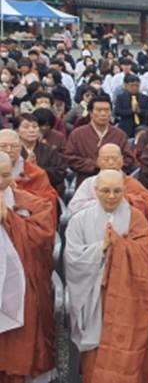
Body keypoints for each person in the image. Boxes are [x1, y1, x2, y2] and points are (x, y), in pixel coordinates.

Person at [64, 170, 148, 383]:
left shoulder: (136, 217)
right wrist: (102, 247)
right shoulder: (80, 220)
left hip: (129, 298)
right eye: (105, 190)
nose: (111, 196)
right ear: (95, 190)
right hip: (94, 295)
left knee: (129, 354)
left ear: (124, 191)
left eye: (117, 191)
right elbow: (72, 258)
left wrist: (120, 246)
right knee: (96, 355)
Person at [0, 152, 57, 382]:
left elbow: (43, 238)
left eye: (4, 174)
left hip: (21, 283)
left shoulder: (31, 203)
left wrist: (9, 219)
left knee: (17, 343)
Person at [69, 143, 148, 220]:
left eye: (115, 158)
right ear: (98, 161)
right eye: (106, 159)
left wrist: (127, 200)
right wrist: (104, 202)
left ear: (122, 160)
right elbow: (74, 208)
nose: (111, 162)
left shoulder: (132, 183)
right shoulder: (89, 183)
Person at [64, 95, 132, 187]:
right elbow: (69, 158)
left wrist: (113, 164)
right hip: (86, 182)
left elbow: (129, 158)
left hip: (114, 184)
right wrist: (95, 164)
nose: (103, 114)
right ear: (91, 113)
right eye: (99, 110)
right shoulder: (77, 134)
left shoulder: (120, 135)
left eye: (107, 110)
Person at [0, 129, 59, 220]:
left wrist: (19, 194)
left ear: (20, 148)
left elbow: (48, 201)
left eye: (14, 146)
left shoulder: (35, 172)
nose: (8, 150)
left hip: (26, 221)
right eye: (3, 146)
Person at [17, 113, 67, 197]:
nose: (31, 130)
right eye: (26, 127)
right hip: (19, 194)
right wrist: (26, 167)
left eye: (35, 127)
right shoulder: (13, 151)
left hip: (44, 194)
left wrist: (38, 169)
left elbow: (61, 172)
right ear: (16, 130)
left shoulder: (48, 150)